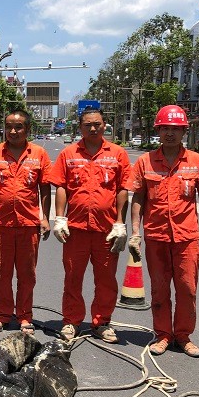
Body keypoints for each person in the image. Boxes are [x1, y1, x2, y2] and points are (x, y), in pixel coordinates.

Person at [128, 105, 199, 358]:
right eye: (165, 128)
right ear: (158, 130)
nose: (170, 133)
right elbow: (138, 198)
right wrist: (135, 232)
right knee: (159, 288)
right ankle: (163, 334)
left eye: (176, 129)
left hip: (186, 237)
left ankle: (183, 336)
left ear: (184, 131)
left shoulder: (196, 161)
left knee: (187, 288)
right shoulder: (145, 161)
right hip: (155, 236)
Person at [48, 109, 131, 343]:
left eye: (97, 124)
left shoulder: (117, 154)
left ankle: (102, 322)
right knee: (73, 277)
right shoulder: (68, 154)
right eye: (87, 125)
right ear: (80, 128)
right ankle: (71, 321)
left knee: (106, 279)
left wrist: (120, 223)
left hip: (106, 231)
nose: (92, 128)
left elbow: (122, 189)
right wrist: (60, 218)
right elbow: (61, 186)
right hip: (76, 230)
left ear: (105, 125)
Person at [0, 110, 52, 335]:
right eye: (9, 126)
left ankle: (24, 316)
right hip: (0, 223)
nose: (13, 131)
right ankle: (2, 315)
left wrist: (45, 218)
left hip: (29, 224)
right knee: (1, 272)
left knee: (27, 273)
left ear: (27, 129)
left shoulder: (39, 154)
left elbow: (45, 188)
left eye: (18, 126)